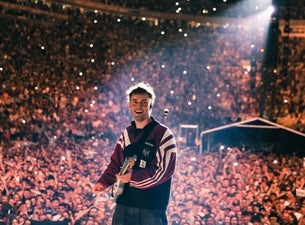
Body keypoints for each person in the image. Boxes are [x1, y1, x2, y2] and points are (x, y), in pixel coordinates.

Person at [93, 82, 177, 225]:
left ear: (151, 105)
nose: (139, 106)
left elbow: (164, 171)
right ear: (129, 106)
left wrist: (133, 178)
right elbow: (116, 163)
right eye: (135, 102)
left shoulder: (163, 134)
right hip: (123, 205)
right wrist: (104, 181)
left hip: (150, 209)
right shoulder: (127, 133)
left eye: (144, 102)